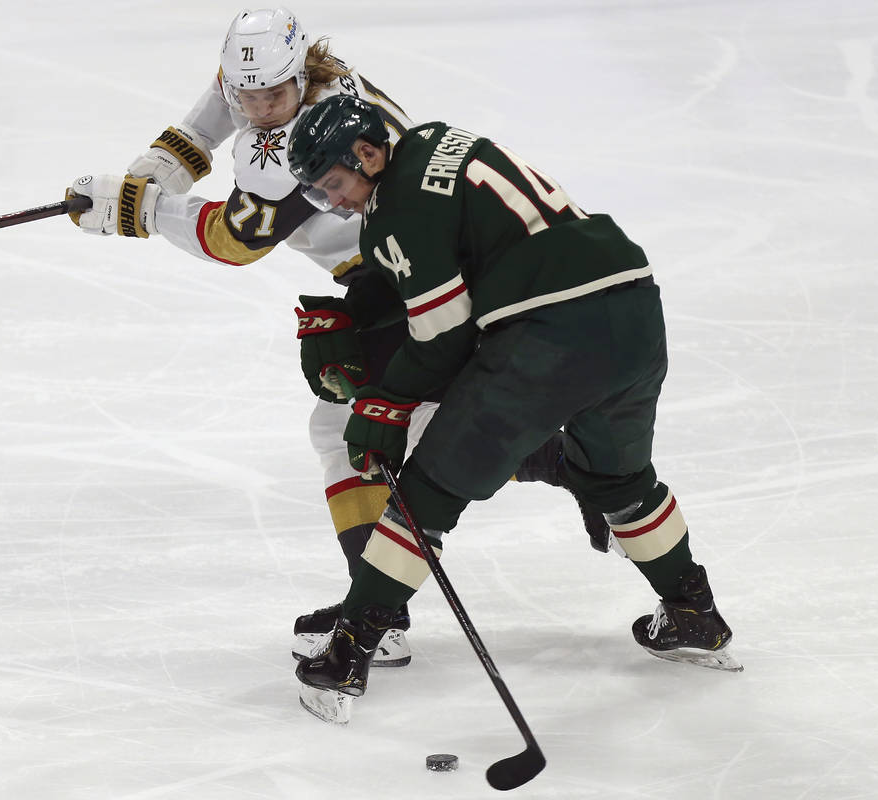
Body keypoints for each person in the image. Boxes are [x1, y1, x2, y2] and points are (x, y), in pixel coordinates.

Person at [64, 8, 610, 667]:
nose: (260, 108)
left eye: (273, 94)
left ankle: (378, 617)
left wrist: (138, 208)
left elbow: (238, 239)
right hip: (409, 268)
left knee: (349, 431)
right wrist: (152, 170)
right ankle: (567, 472)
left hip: (413, 279)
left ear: (299, 78)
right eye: (248, 94)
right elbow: (204, 123)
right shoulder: (272, 74)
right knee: (421, 420)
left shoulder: (313, 144)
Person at [285, 94, 742, 722]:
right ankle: (695, 614)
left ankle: (346, 656)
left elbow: (445, 333)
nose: (332, 201)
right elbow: (456, 254)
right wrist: (362, 310)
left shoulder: (393, 208)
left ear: (367, 154)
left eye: (333, 183)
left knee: (428, 492)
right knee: (619, 478)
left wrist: (385, 404)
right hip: (633, 311)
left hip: (550, 333)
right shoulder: (439, 140)